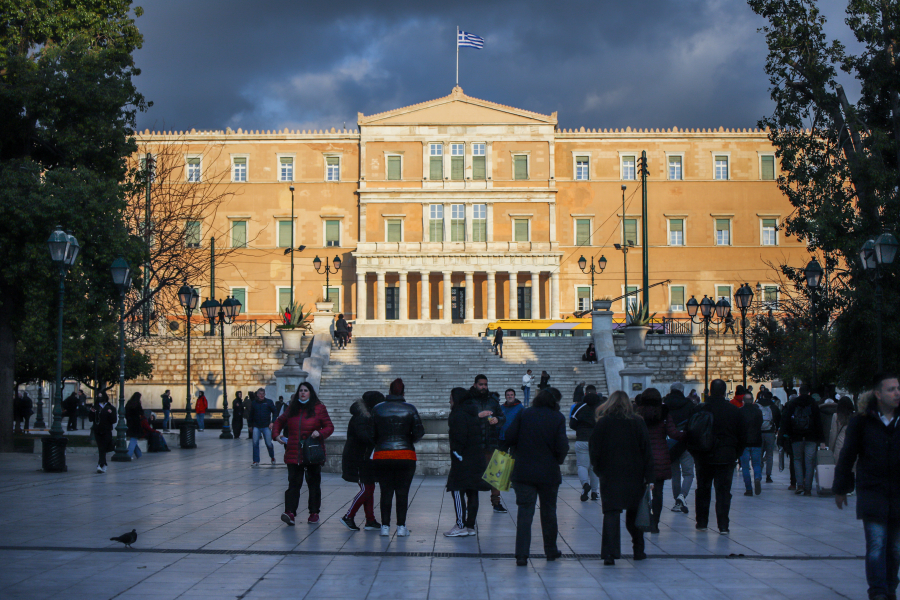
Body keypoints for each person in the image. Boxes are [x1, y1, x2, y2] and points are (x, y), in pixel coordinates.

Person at [834, 373, 900, 600]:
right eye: (891, 389)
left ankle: (890, 588)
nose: (897, 393)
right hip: (873, 492)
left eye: (898, 388)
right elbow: (848, 454)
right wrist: (841, 488)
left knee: (895, 549)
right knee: (877, 546)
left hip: (898, 495)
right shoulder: (862, 422)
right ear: (879, 394)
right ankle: (878, 592)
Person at [504, 389, 568, 566]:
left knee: (525, 513)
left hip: (523, 472)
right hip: (548, 473)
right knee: (549, 512)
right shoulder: (558, 418)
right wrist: (556, 460)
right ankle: (550, 550)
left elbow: (509, 436)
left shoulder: (525, 414)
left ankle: (522, 554)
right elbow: (562, 446)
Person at [590, 390, 654, 565]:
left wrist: (598, 469)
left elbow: (594, 449)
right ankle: (638, 550)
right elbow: (647, 450)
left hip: (610, 475)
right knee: (635, 513)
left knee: (611, 514)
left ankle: (610, 554)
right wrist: (649, 476)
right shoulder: (638, 423)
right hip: (634, 474)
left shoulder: (603, 423)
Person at [274, 382, 334, 526]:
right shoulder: (292, 408)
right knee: (293, 484)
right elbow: (279, 421)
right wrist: (276, 435)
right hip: (294, 452)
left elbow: (329, 427)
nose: (302, 393)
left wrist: (319, 433)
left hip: (312, 451)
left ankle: (314, 513)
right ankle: (289, 512)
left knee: (313, 484)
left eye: (305, 390)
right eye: (300, 390)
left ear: (310, 393)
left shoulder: (319, 408)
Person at [693, 379, 747, 535]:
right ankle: (723, 525)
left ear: (709, 391)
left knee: (703, 490)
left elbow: (691, 433)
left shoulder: (700, 410)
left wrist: (696, 453)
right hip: (726, 456)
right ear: (724, 392)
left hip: (704, 456)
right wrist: (735, 453)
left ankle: (702, 522)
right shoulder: (734, 411)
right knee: (723, 492)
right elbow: (742, 436)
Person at [371, 378, 425, 537]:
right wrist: (408, 440)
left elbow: (371, 432)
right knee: (402, 492)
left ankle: (385, 526)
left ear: (389, 391)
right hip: (405, 454)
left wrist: (380, 441)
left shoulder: (377, 409)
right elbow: (419, 432)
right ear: (403, 392)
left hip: (382, 454)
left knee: (385, 491)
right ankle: (401, 526)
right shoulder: (410, 409)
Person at [636, 388, 684, 533]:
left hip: (641, 457)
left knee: (640, 491)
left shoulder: (638, 413)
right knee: (658, 493)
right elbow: (673, 433)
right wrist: (688, 433)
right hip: (660, 456)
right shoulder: (664, 413)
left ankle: (642, 521)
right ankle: (655, 523)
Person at [445, 387, 490, 537]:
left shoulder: (457, 414)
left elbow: (460, 437)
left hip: (463, 460)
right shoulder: (472, 412)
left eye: (451, 397)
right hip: (476, 458)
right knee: (473, 491)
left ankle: (460, 525)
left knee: (456, 489)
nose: (449, 400)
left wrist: (457, 454)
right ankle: (470, 526)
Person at [463, 374, 507, 512]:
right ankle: (471, 503)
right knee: (472, 475)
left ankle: (496, 502)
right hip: (474, 444)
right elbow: (462, 418)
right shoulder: (468, 400)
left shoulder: (492, 400)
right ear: (475, 384)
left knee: (496, 473)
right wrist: (478, 416)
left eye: (485, 384)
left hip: (491, 442)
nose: (484, 387)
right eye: (481, 384)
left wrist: (497, 420)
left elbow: (502, 416)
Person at [340, 391, 382, 532]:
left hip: (364, 458)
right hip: (357, 458)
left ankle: (370, 520)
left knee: (369, 487)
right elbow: (364, 436)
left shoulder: (367, 415)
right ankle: (348, 516)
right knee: (367, 488)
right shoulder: (361, 417)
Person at [780, 383, 824, 495]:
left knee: (797, 460)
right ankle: (808, 488)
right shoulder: (813, 403)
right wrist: (821, 439)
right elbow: (819, 422)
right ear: (809, 392)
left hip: (796, 437)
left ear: (799, 392)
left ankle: (799, 485)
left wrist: (786, 435)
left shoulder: (793, 403)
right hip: (811, 437)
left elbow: (786, 421)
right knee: (809, 462)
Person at [665, 382, 694, 514]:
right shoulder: (689, 405)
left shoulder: (664, 405)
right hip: (686, 442)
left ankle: (677, 501)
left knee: (675, 474)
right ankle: (682, 496)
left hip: (670, 442)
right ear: (682, 391)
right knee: (688, 473)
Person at [570, 389, 601, 502]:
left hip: (582, 439)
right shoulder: (600, 409)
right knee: (594, 467)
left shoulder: (580, 407)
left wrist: (580, 428)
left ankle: (585, 485)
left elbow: (572, 422)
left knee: (582, 465)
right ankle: (594, 492)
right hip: (596, 441)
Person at [739, 392, 764, 496]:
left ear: (743, 401)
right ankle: (757, 477)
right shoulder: (758, 411)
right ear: (753, 400)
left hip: (744, 442)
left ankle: (748, 489)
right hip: (757, 441)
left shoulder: (740, 412)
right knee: (757, 464)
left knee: (745, 466)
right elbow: (760, 424)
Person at [248, 388, 278, 466]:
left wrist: (273, 422)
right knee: (255, 443)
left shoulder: (269, 402)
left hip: (266, 425)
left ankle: (272, 457)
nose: (261, 395)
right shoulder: (254, 403)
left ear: (265, 394)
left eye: (263, 394)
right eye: (260, 394)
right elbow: (251, 415)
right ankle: (256, 460)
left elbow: (275, 411)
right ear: (257, 395)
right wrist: (249, 425)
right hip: (256, 426)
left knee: (268, 443)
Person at [90, 392, 117, 473]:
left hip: (107, 430)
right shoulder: (95, 407)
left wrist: (110, 413)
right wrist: (91, 412)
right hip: (97, 430)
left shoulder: (110, 408)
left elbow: (114, 420)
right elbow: (91, 419)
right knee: (101, 448)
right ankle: (102, 464)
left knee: (103, 448)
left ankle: (101, 464)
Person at [758, 391, 781, 483]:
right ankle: (768, 476)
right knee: (769, 455)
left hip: (759, 433)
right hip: (770, 432)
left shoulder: (757, 406)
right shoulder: (774, 407)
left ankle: (758, 473)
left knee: (759, 454)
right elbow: (779, 420)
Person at [829, 396, 855, 464]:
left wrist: (831, 450)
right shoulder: (855, 417)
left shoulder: (836, 416)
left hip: (840, 447)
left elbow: (833, 434)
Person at [498, 388, 523, 453]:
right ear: (505, 397)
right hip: (503, 436)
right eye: (508, 395)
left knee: (514, 457)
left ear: (514, 396)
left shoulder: (520, 407)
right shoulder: (501, 407)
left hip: (514, 437)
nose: (510, 396)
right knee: (501, 455)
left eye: (511, 395)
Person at [125, 392, 145, 460]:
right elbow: (141, 412)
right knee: (133, 439)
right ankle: (128, 455)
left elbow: (125, 413)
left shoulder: (129, 403)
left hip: (129, 423)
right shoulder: (137, 404)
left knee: (133, 439)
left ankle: (139, 454)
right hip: (136, 423)